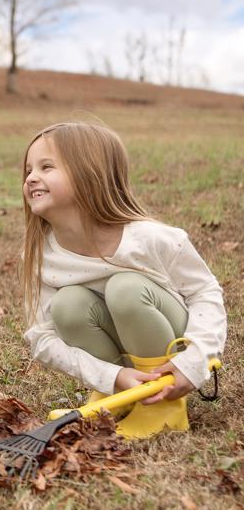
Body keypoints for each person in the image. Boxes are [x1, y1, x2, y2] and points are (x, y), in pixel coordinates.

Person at [21, 122, 226, 438]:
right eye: (29, 170)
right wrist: (112, 377)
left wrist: (196, 359)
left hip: (169, 343)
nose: (31, 177)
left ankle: (160, 408)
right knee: (68, 304)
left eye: (46, 167)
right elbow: (42, 338)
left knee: (125, 289)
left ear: (90, 175)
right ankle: (118, 401)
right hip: (118, 368)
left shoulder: (149, 239)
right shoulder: (43, 256)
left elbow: (205, 292)